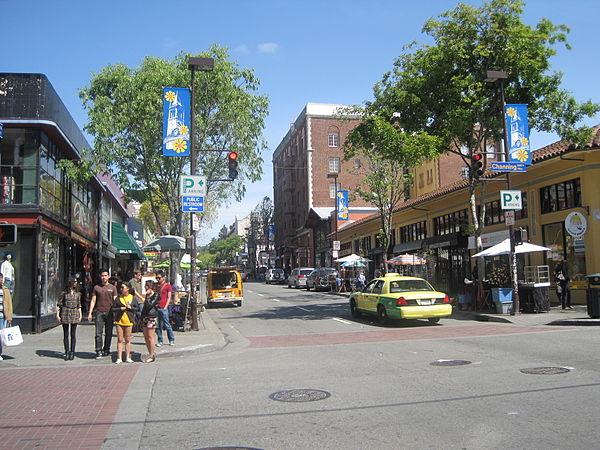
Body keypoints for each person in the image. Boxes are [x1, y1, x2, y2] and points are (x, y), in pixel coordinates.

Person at [88, 269, 118, 359]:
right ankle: (98, 350)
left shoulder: (113, 287)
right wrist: (90, 313)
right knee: (98, 333)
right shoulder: (97, 287)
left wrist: (116, 313)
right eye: (102, 276)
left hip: (110, 313)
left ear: (108, 276)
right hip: (99, 312)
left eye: (105, 275)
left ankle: (106, 349)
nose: (104, 277)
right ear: (100, 276)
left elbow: (115, 301)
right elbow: (93, 300)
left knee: (109, 333)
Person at [112, 281, 138, 364]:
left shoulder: (132, 298)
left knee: (127, 339)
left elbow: (137, 308)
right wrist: (120, 309)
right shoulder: (118, 298)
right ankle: (119, 357)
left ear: (128, 288)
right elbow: (113, 308)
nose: (121, 289)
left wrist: (131, 308)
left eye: (123, 287)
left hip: (128, 321)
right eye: (121, 287)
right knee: (120, 339)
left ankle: (127, 357)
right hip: (119, 321)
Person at [56, 278, 82, 361]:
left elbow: (79, 305)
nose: (75, 283)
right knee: (66, 333)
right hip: (65, 311)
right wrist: (58, 314)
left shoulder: (77, 294)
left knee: (73, 334)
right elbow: (59, 304)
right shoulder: (64, 293)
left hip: (74, 311)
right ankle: (67, 351)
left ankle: (72, 352)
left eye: (76, 282)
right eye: (74, 281)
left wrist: (80, 315)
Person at [140, 280, 160, 363]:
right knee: (146, 337)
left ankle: (152, 355)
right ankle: (150, 353)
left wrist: (148, 296)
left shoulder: (155, 295)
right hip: (145, 317)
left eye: (146, 286)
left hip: (151, 317)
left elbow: (149, 305)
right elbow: (145, 307)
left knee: (150, 337)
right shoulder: (147, 296)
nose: (145, 287)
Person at [155, 270, 175, 347]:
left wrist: (166, 306)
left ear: (163, 278)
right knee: (158, 325)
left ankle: (171, 339)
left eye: (159, 278)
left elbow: (169, 297)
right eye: (156, 277)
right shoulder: (156, 286)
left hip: (164, 307)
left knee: (167, 324)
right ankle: (160, 340)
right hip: (157, 307)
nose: (157, 279)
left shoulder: (167, 286)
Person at [0, 272, 14, 361]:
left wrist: (9, 317)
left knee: (1, 336)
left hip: (2, 316)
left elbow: (9, 304)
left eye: (1, 279)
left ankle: (0, 353)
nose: (0, 281)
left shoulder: (5, 290)